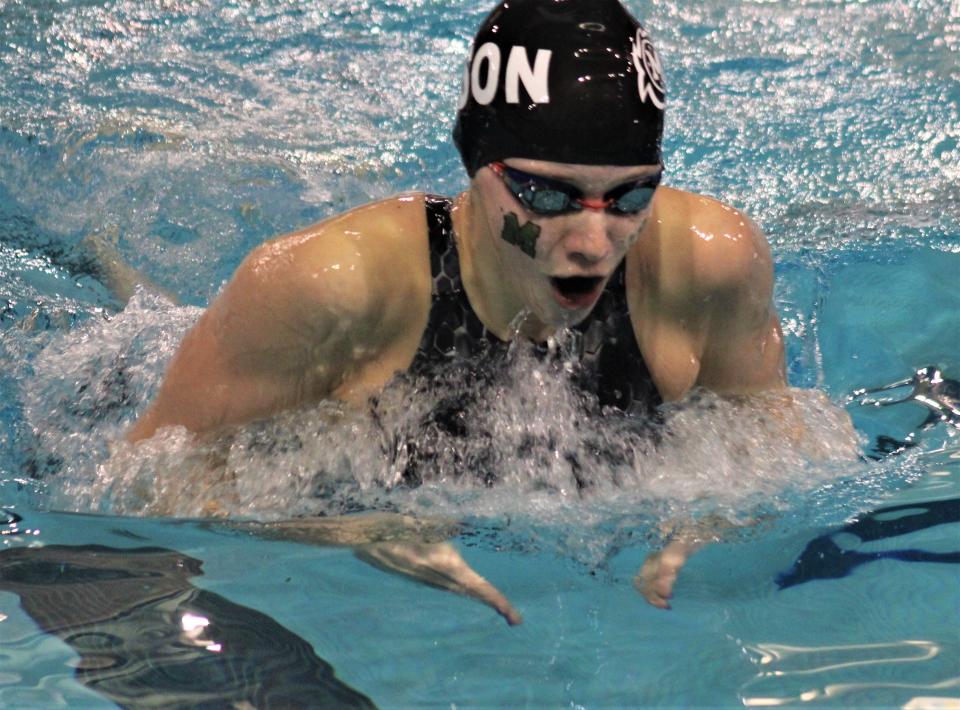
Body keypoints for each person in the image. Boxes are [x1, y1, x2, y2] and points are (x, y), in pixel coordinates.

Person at [125, 0, 787, 621]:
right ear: (475, 163)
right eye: (544, 196)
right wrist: (355, 531)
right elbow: (152, 490)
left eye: (629, 197)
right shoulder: (334, 287)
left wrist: (701, 530)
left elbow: (781, 444)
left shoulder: (706, 266)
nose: (592, 243)